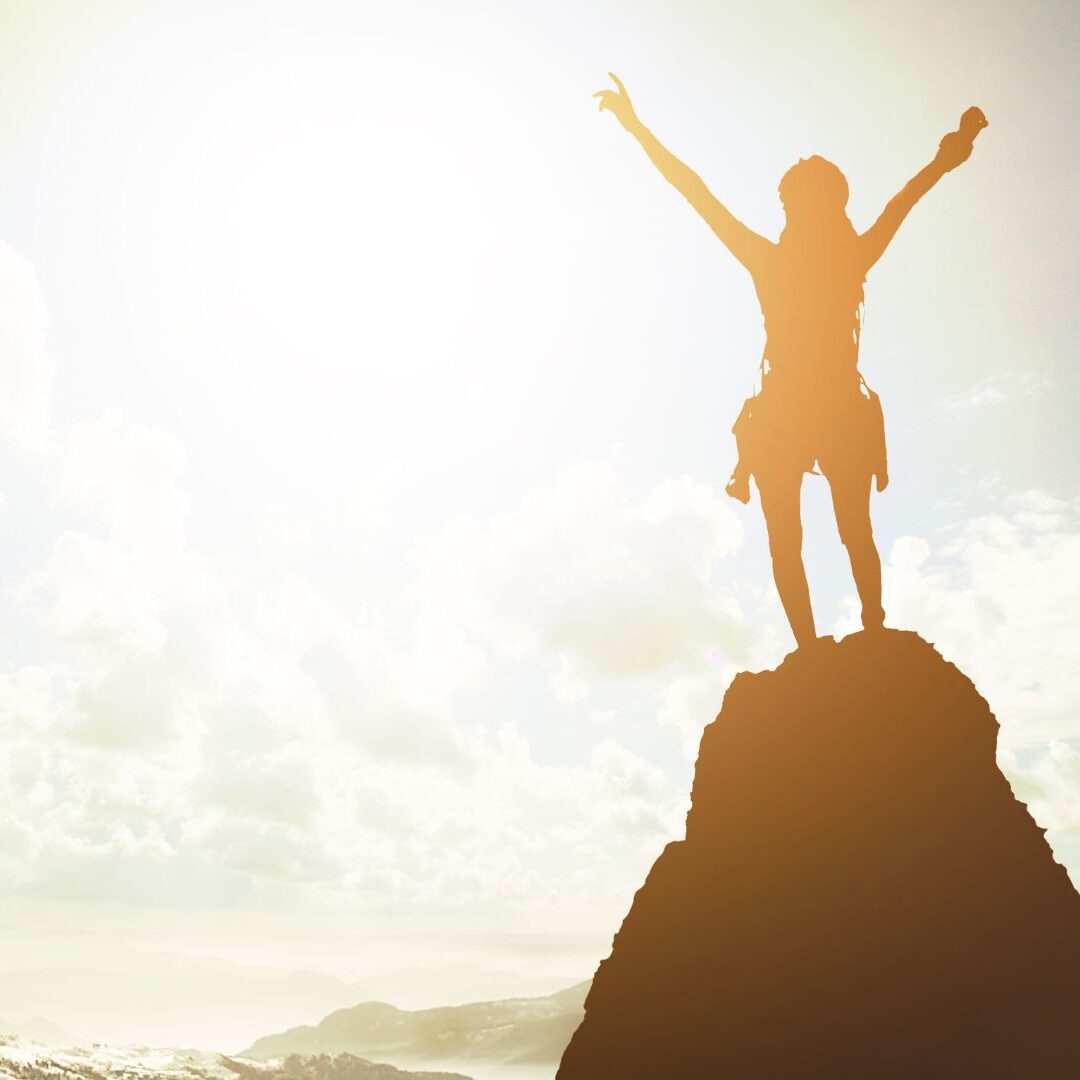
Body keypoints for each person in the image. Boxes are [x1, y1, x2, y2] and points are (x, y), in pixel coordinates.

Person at [593, 74, 985, 648]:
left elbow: (697, 192)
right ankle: (839, 640)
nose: (801, 211)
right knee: (832, 531)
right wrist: (949, 154)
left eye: (804, 201)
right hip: (808, 408)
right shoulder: (845, 257)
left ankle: (839, 640)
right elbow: (907, 197)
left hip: (790, 409)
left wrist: (950, 154)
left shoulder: (781, 260)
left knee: (820, 532)